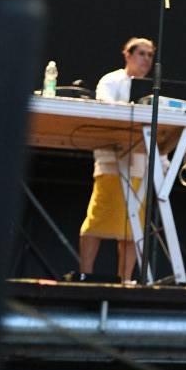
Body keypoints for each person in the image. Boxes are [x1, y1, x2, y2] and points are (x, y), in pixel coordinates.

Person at [78, 37, 156, 281]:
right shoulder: (110, 81)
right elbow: (105, 110)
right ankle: (85, 275)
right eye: (142, 53)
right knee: (96, 222)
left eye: (150, 55)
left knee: (132, 231)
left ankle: (125, 281)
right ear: (128, 55)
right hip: (112, 163)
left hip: (139, 166)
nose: (146, 59)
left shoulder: (152, 91)